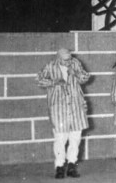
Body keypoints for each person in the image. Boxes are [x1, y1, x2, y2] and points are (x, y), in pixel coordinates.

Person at [36, 48, 90, 179]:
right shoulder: (50, 66)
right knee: (60, 139)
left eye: (69, 59)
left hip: (76, 107)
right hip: (59, 108)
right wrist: (54, 82)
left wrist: (75, 73)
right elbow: (39, 80)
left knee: (75, 139)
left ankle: (72, 165)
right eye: (65, 60)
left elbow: (85, 77)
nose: (68, 62)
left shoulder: (75, 63)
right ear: (58, 58)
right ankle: (59, 167)